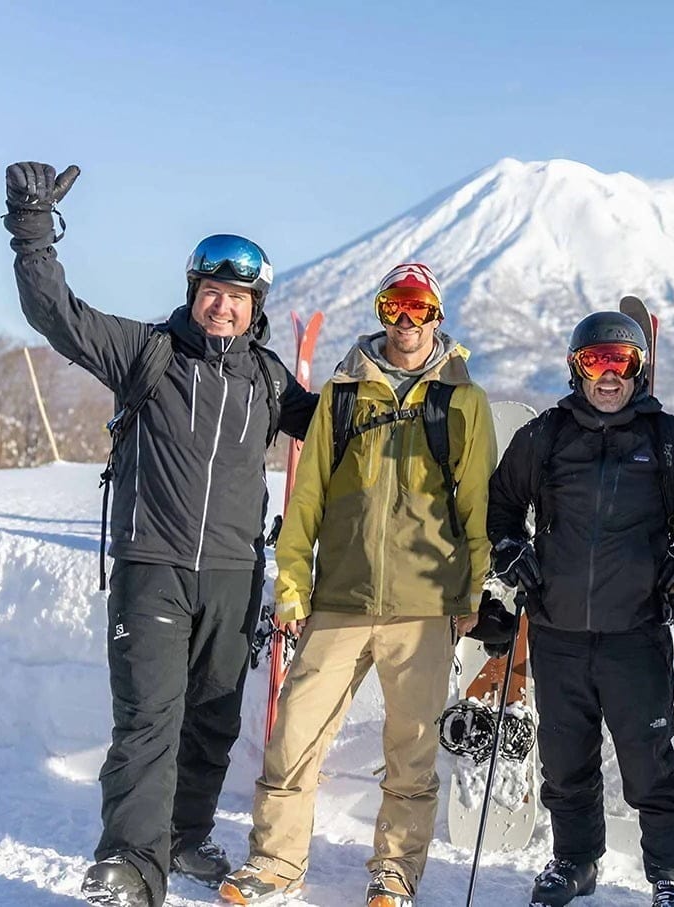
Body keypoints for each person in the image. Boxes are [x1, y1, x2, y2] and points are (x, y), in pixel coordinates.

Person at [2, 162, 319, 907]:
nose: (222, 305)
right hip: (154, 564)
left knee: (211, 719)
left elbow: (341, 432)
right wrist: (32, 232)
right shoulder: (146, 351)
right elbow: (57, 314)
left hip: (235, 574)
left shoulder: (269, 379)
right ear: (192, 292)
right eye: (211, 291)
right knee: (148, 720)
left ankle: (184, 836)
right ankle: (129, 862)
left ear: (255, 307)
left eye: (237, 296)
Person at [220, 263, 496, 907]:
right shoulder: (344, 393)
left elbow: (477, 505)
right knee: (294, 736)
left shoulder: (463, 401)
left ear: (436, 315)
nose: (405, 320)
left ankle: (395, 871)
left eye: (417, 307)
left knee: (412, 749)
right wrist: (293, 583)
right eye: (393, 306)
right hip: (340, 599)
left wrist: (472, 593)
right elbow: (307, 495)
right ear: (380, 312)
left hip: (425, 604)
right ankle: (275, 861)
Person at [487, 311, 674, 907]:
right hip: (557, 630)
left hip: (636, 633)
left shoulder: (664, 438)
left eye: (621, 361)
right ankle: (574, 861)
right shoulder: (545, 435)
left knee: (650, 764)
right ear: (576, 369)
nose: (608, 374)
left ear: (639, 369)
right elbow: (500, 503)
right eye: (595, 361)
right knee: (565, 761)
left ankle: (672, 875)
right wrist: (510, 550)